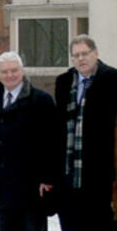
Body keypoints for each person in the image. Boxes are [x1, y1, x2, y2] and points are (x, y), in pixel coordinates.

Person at [0, 51, 57, 231]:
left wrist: (48, 177)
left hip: (32, 184)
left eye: (14, 70)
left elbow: (53, 141)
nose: (10, 75)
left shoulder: (41, 100)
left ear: (22, 71)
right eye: (5, 72)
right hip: (4, 183)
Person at [54, 35, 117, 231]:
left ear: (96, 54)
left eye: (85, 53)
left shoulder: (112, 79)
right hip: (69, 173)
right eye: (76, 55)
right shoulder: (64, 82)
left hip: (100, 173)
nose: (81, 59)